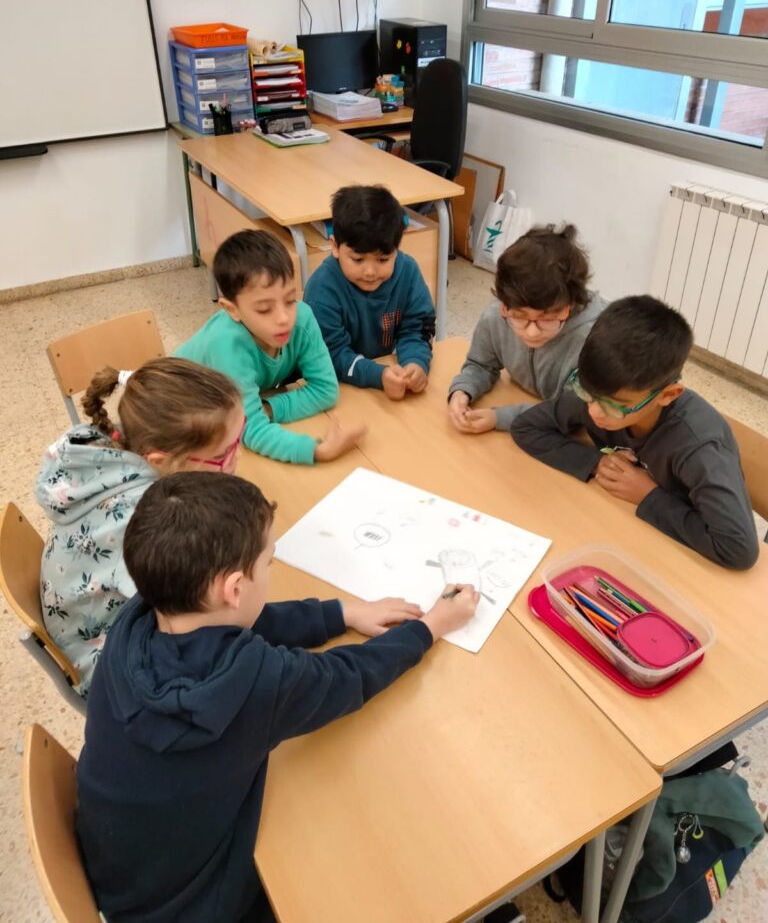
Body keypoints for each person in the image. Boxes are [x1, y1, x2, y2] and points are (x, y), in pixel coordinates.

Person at [76, 472, 479, 923]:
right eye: (268, 563)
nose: (270, 571)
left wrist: (340, 613)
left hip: (123, 873)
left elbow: (238, 625)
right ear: (233, 589)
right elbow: (348, 677)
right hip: (192, 905)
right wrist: (432, 626)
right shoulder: (254, 684)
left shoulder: (135, 621)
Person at [35, 358, 244, 695]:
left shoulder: (114, 450)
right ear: (162, 461)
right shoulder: (148, 524)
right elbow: (185, 613)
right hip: (109, 667)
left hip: (92, 614)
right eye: (224, 455)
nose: (238, 457)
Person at [511, 296, 759, 570]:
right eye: (587, 392)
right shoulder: (604, 392)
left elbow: (737, 549)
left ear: (668, 395)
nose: (594, 412)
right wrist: (595, 463)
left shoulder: (699, 448)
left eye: (615, 406)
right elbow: (526, 427)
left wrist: (648, 495)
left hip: (677, 556)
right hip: (623, 531)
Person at [177, 229, 364, 463]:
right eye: (264, 309)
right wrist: (317, 450)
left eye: (290, 300)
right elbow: (248, 428)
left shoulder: (303, 318)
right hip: (173, 414)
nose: (284, 318)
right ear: (231, 310)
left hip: (217, 414)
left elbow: (326, 390)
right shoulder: (226, 343)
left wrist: (268, 408)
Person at [448, 224, 606, 433]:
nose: (532, 332)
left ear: (571, 305)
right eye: (520, 316)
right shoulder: (496, 316)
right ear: (504, 304)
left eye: (547, 318)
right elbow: (481, 365)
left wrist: (500, 418)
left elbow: (572, 413)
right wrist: (462, 390)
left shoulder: (594, 339)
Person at [303, 185, 435, 400]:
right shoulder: (322, 289)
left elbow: (417, 329)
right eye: (358, 260)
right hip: (340, 390)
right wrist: (378, 375)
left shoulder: (408, 272)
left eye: (383, 259)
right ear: (335, 246)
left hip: (383, 380)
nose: (370, 272)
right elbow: (331, 354)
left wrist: (415, 364)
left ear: (397, 248)